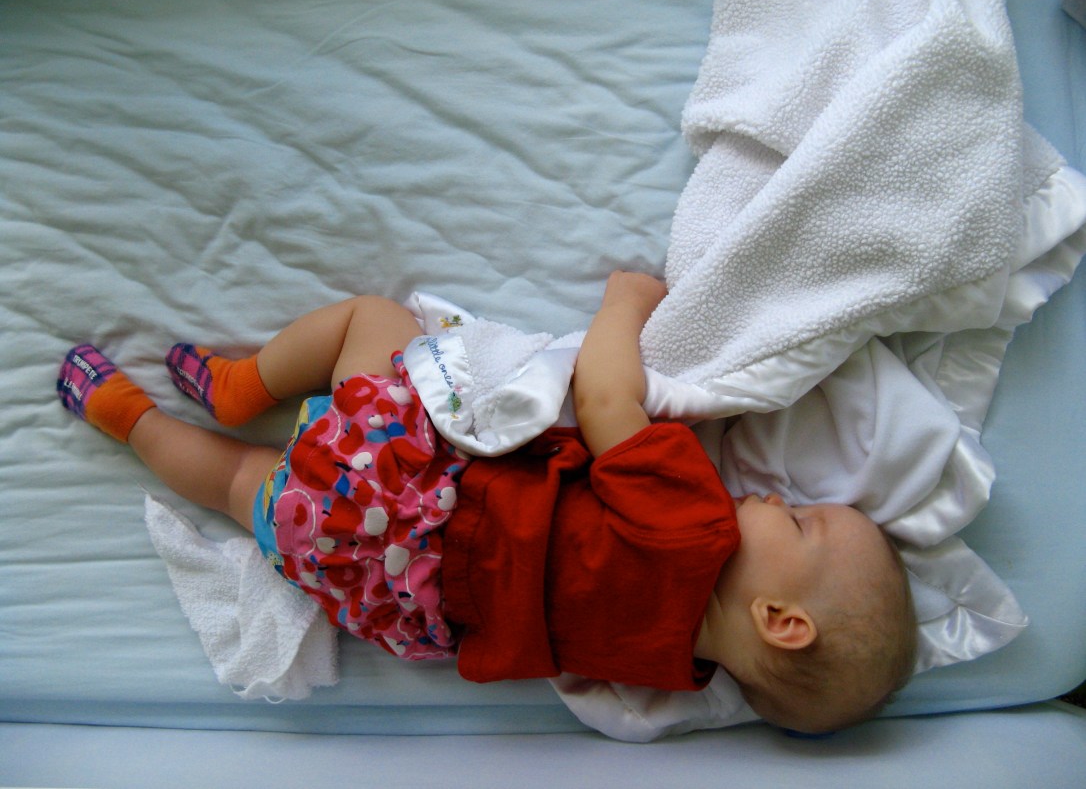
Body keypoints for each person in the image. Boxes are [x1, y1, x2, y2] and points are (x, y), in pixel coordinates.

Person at [57, 271, 916, 734]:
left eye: (800, 520)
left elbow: (611, 400)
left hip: (405, 487)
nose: (774, 495)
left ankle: (245, 383)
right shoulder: (667, 677)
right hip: (382, 597)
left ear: (782, 619)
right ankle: (124, 417)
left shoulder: (696, 527)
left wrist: (626, 302)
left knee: (374, 317)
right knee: (237, 485)